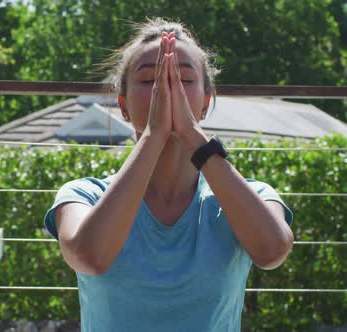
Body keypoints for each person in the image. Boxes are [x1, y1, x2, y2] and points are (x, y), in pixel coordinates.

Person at [44, 17, 294, 332]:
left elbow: (273, 251)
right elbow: (89, 256)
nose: (166, 89)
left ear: (205, 103)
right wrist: (153, 135)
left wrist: (191, 134)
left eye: (184, 80)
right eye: (149, 80)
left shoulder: (247, 196)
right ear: (123, 105)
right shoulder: (84, 196)